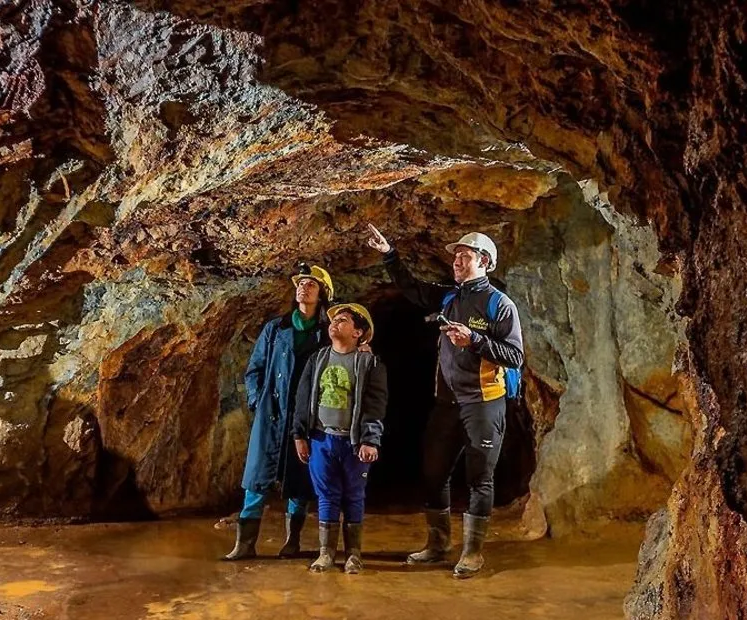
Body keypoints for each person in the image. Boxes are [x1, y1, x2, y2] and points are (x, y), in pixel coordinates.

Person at [365, 224, 524, 579]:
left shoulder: (500, 304)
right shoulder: (450, 297)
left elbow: (514, 355)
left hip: (484, 401)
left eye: (464, 255)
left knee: (480, 477)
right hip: (447, 402)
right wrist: (389, 253)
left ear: (484, 261)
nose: (456, 259)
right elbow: (413, 289)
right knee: (434, 472)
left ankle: (472, 552)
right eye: (455, 255)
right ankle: (438, 544)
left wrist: (476, 341)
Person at [223, 263, 334, 561]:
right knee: (256, 478)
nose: (304, 287)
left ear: (322, 293)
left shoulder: (326, 334)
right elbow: (254, 370)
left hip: (306, 419)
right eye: (301, 283)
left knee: (299, 480)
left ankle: (292, 542)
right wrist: (259, 402)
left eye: (311, 284)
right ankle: (244, 545)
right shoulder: (276, 328)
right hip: (271, 415)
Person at [292, 303, 387, 574]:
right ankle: (326, 553)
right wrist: (299, 434)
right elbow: (303, 398)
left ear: (359, 333)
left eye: (343, 320)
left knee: (354, 496)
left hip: (353, 441)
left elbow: (375, 404)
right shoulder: (318, 359)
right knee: (326, 495)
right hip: (322, 439)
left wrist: (371, 439)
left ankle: (353, 554)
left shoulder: (370, 364)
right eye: (334, 320)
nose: (335, 324)